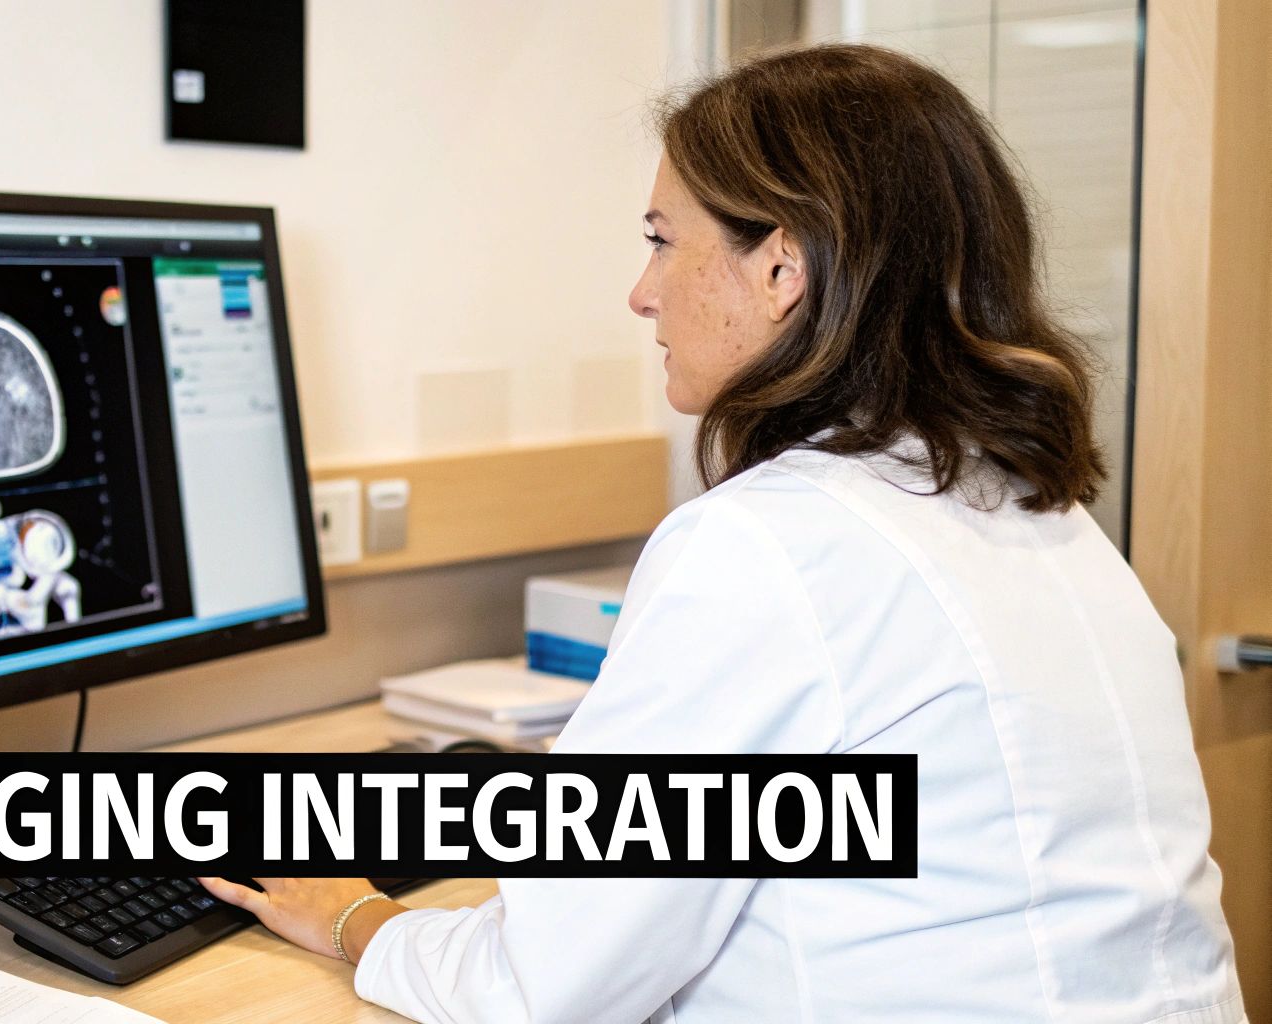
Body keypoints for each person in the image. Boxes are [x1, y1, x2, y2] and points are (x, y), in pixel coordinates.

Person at [198, 43, 1246, 1023]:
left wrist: (356, 919)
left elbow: (546, 990)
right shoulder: (1039, 514)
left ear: (780, 268)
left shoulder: (769, 545)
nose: (641, 293)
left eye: (662, 242)